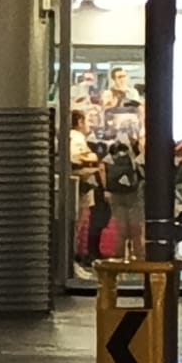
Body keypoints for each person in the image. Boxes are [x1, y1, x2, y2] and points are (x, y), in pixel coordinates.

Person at [70, 109, 107, 274]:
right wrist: (92, 158)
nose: (90, 125)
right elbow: (77, 158)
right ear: (79, 122)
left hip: (83, 187)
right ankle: (72, 260)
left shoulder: (78, 138)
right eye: (87, 120)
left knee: (80, 224)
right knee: (77, 224)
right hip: (80, 186)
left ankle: (75, 260)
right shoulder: (75, 138)